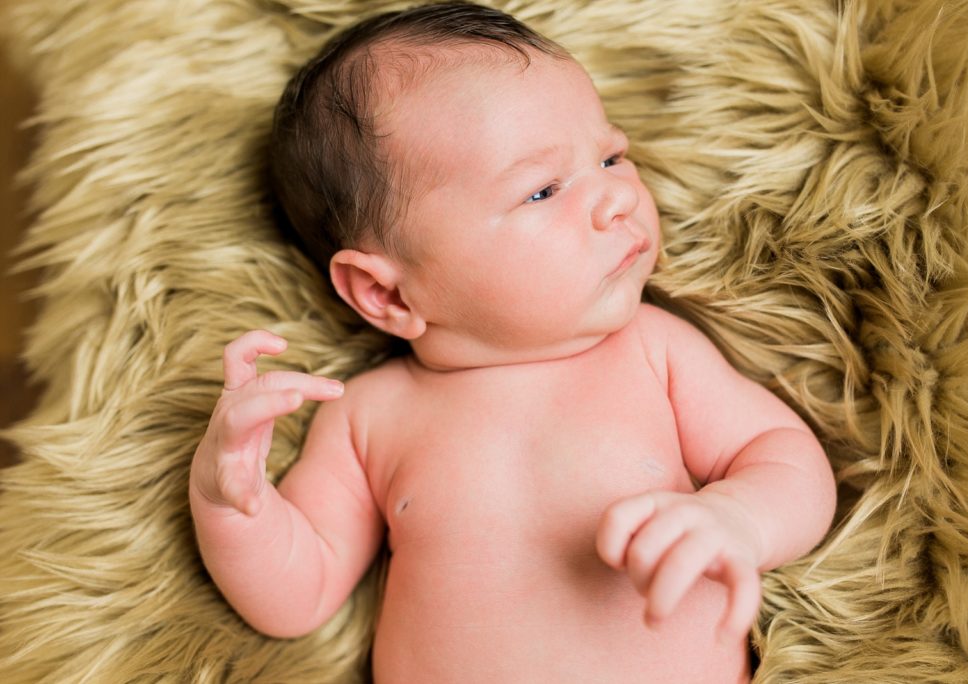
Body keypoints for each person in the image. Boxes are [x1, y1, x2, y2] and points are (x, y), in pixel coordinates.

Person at [189, 3, 837, 682]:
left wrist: (738, 519)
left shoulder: (653, 352)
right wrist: (231, 502)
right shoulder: (368, 417)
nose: (615, 197)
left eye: (612, 155)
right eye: (542, 190)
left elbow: (785, 458)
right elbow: (298, 595)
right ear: (387, 293)